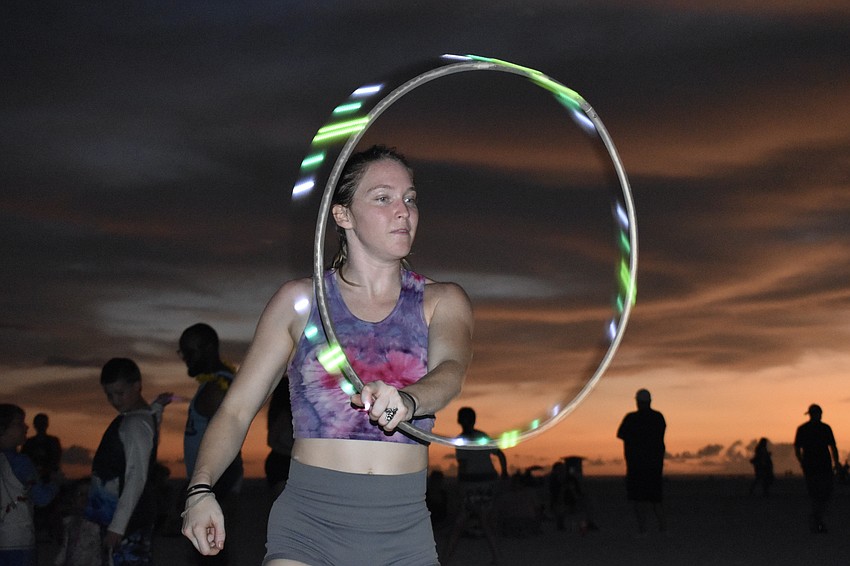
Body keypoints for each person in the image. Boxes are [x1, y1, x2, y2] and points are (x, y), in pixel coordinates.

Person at [181, 145, 474, 566]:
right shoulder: (299, 302)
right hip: (308, 528)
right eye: (383, 197)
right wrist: (200, 489)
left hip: (403, 531)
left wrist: (409, 400)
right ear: (342, 215)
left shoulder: (441, 300)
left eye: (410, 198)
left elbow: (451, 371)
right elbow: (236, 410)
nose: (403, 211)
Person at [85, 358, 171, 565]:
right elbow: (150, 427)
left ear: (137, 386)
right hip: (121, 517)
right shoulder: (139, 418)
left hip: (126, 520)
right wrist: (157, 407)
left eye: (120, 393)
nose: (115, 400)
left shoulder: (134, 424)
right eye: (109, 395)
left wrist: (117, 527)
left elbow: (136, 476)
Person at [179, 323, 244, 501]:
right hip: (209, 485)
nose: (185, 358)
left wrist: (199, 490)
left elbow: (227, 447)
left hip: (214, 487)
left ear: (209, 349)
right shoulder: (212, 383)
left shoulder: (217, 389)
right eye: (182, 353)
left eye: (190, 352)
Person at [445, 407, 508, 564]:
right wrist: (504, 473)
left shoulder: (462, 440)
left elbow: (463, 467)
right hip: (486, 484)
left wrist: (461, 486)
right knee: (481, 520)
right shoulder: (481, 436)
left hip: (476, 486)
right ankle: (497, 557)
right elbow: (500, 454)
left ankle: (446, 558)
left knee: (468, 521)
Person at [1, 404, 57, 566]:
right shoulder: (21, 462)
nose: (26, 427)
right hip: (17, 539)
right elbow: (42, 498)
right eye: (19, 423)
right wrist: (56, 483)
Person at [616, 388, 666, 535]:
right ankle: (662, 528)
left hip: (637, 465)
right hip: (653, 465)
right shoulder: (658, 418)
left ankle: (644, 529)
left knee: (639, 499)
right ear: (650, 401)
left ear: (638, 402)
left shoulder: (631, 418)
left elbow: (621, 434)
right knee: (655, 499)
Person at [794, 403, 840, 533]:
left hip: (815, 465)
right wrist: (836, 463)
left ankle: (817, 518)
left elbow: (797, 449)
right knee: (821, 494)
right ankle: (817, 519)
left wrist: (801, 461)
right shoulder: (824, 428)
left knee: (820, 494)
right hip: (819, 465)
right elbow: (833, 447)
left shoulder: (804, 429)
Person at [54, 478, 101, 566]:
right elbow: (65, 547)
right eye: (80, 494)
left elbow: (99, 554)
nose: (84, 498)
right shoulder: (69, 522)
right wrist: (58, 562)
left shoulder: (98, 524)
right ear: (73, 498)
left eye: (88, 494)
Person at [264, 376, 294, 497]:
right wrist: (294, 453)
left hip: (286, 462)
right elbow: (271, 441)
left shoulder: (294, 415)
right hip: (281, 463)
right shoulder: (283, 415)